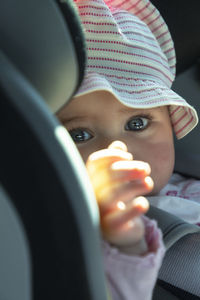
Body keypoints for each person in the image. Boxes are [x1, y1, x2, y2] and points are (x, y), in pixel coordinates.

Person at [56, 0, 199, 299]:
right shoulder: (81, 233)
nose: (117, 148)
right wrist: (124, 244)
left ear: (170, 122)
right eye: (79, 134)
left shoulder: (189, 181)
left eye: (137, 123)